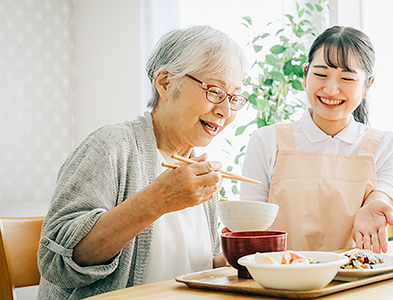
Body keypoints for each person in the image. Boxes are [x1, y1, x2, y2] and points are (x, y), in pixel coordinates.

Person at [37, 25, 248, 299]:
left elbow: (193, 268)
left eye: (234, 98)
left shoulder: (198, 169)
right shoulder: (110, 146)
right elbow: (57, 263)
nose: (225, 110)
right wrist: (156, 201)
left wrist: (236, 254)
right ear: (166, 83)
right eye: (215, 92)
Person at [240, 26, 393, 254]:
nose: (331, 89)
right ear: (304, 75)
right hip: (279, 279)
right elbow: (251, 226)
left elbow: (381, 197)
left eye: (347, 78)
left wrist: (375, 206)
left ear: (367, 86)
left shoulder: (389, 145)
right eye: (320, 74)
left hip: (355, 280)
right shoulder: (266, 141)